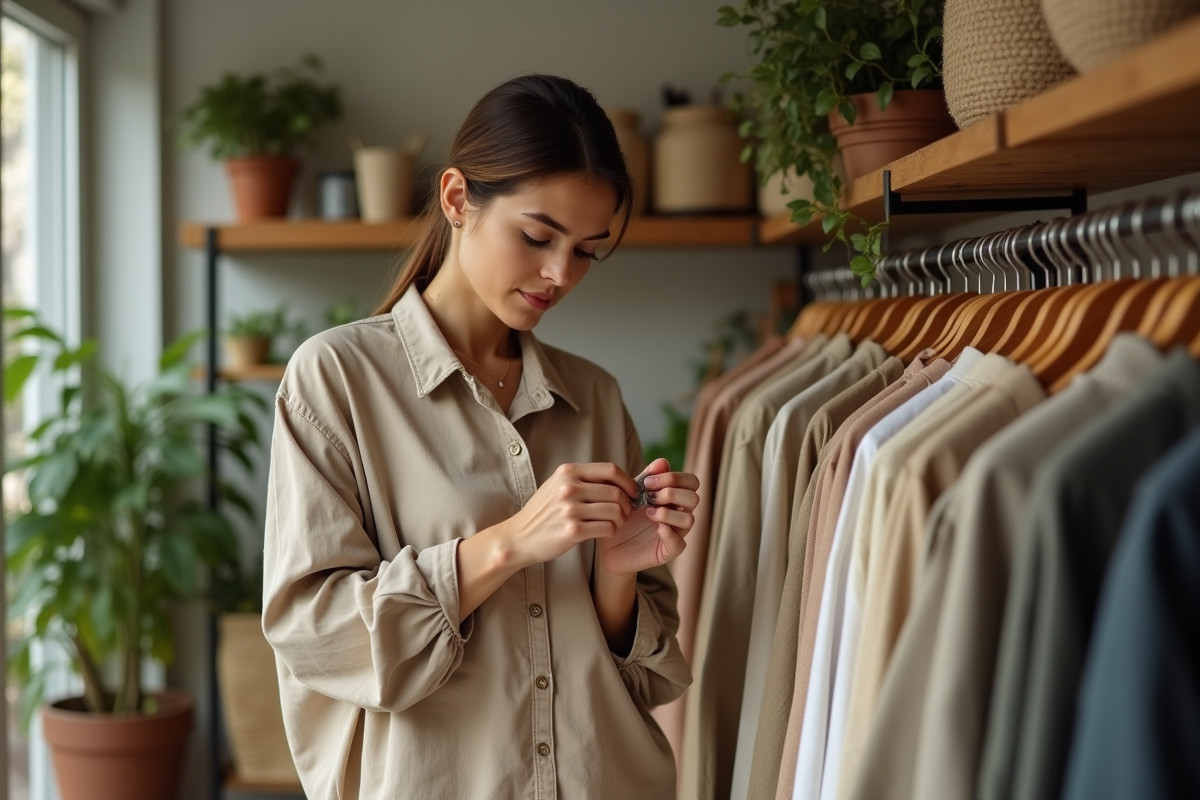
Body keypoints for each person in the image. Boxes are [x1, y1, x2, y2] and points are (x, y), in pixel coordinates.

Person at [262, 74, 697, 800]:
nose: (560, 274)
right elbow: (316, 635)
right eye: (537, 236)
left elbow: (640, 681)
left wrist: (617, 573)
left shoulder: (594, 396)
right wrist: (509, 544)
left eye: (588, 250)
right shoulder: (335, 379)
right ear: (458, 198)